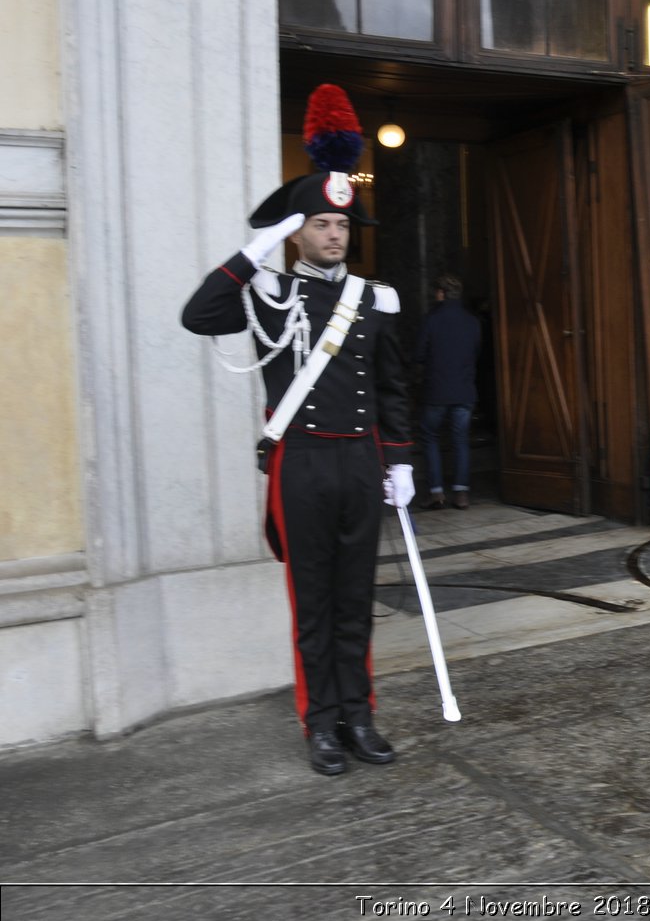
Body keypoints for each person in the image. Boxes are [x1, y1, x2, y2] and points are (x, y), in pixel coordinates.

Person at [181, 84, 413, 777]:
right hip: (301, 463)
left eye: (342, 226)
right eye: (319, 224)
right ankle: (320, 722)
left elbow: (395, 389)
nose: (335, 235)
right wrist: (257, 251)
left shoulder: (373, 299)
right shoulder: (270, 295)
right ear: (298, 231)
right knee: (312, 602)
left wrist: (400, 460)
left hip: (360, 463)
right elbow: (199, 314)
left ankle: (360, 713)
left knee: (355, 600)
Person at [415, 272, 482, 511]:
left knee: (430, 437)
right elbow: (476, 353)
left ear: (441, 294)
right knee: (460, 440)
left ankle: (436, 493)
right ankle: (461, 493)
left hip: (437, 391)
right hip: (464, 390)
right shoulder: (472, 321)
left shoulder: (431, 320)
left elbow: (419, 355)